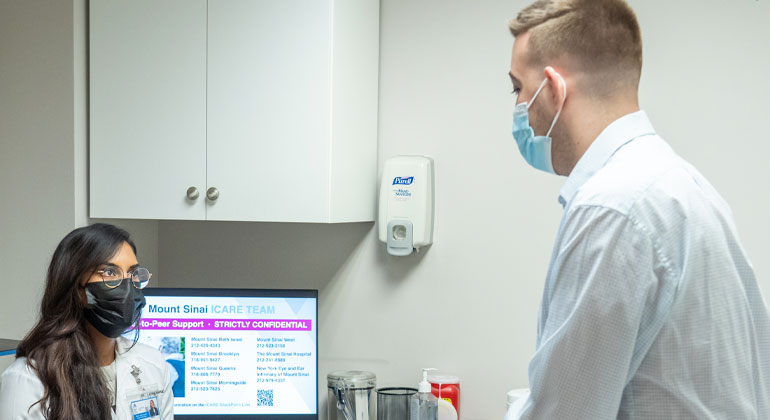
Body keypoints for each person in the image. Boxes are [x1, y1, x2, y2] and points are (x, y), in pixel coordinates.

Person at [504, 0, 770, 418]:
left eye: (517, 88)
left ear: (554, 89)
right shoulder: (689, 190)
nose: (518, 107)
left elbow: (566, 411)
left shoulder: (610, 209)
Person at [0, 223, 174, 419]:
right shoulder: (28, 380)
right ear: (75, 286)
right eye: (109, 272)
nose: (127, 287)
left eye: (133, 274)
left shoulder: (153, 364)